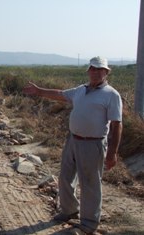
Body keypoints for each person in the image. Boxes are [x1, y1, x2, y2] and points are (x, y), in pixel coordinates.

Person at [22, 56, 122, 234]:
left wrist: (112, 153)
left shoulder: (111, 95)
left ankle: (89, 222)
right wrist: (39, 91)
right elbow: (60, 94)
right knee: (65, 178)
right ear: (88, 71)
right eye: (93, 68)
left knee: (90, 183)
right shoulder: (80, 90)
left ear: (106, 72)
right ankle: (69, 211)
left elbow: (117, 124)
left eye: (100, 69)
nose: (96, 72)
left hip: (94, 144)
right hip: (73, 140)